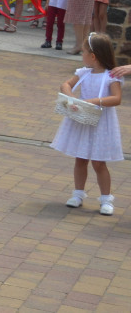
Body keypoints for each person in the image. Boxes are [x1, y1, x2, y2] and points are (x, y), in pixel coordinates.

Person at [51, 33, 122, 216]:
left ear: (93, 56)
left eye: (83, 51)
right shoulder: (83, 73)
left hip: (101, 122)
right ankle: (78, 194)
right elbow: (65, 84)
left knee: (99, 163)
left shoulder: (110, 76)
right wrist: (72, 97)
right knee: (80, 158)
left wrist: (93, 101)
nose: (81, 55)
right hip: (83, 120)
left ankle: (106, 198)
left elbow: (116, 98)